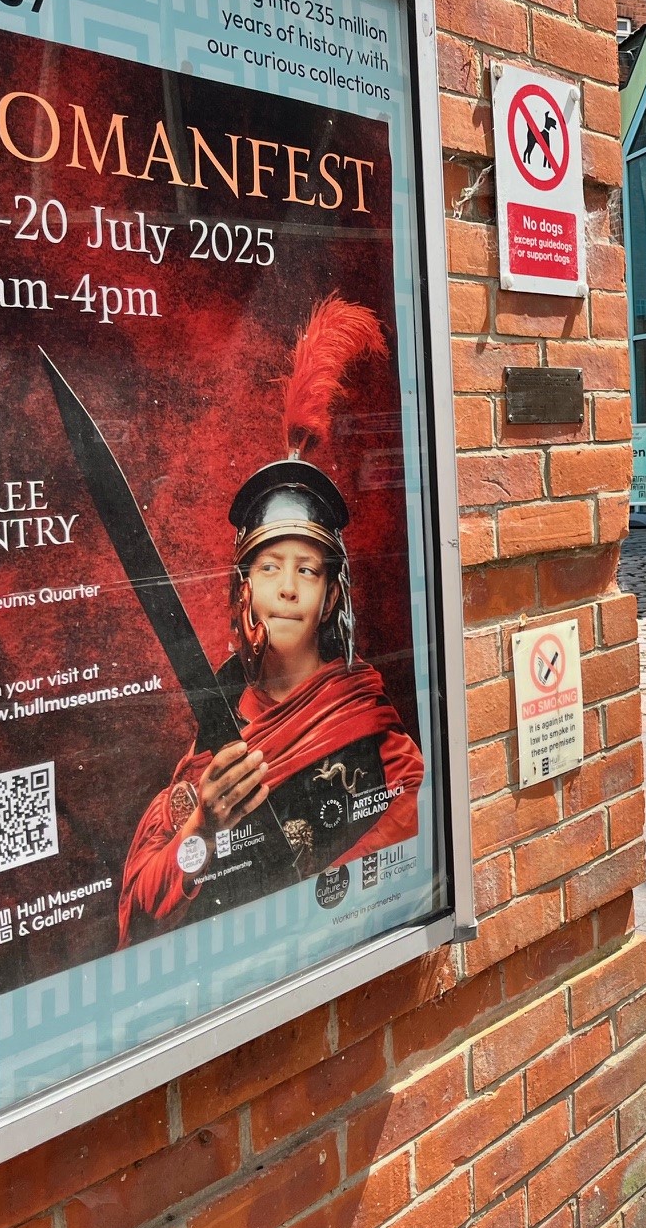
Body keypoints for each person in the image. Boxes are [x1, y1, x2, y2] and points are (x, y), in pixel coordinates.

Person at [116, 298, 423, 946]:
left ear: (333, 595)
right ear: (244, 589)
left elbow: (403, 864)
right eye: (269, 569)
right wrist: (200, 830)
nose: (287, 589)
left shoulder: (378, 745)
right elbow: (142, 908)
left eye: (307, 570)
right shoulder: (212, 742)